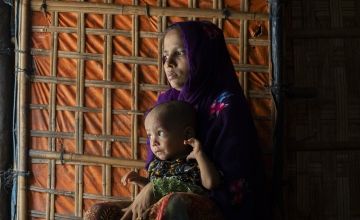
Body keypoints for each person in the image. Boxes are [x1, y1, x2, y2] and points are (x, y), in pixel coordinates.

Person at [125, 21, 266, 220]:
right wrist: (149, 186)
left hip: (217, 204)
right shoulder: (166, 102)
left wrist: (161, 191)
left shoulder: (226, 106)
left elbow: (228, 182)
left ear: (202, 54)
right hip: (164, 197)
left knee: (173, 206)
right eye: (165, 56)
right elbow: (158, 164)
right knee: (100, 213)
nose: (168, 63)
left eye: (180, 53)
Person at [120, 100, 223, 220]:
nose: (153, 142)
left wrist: (200, 154)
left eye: (160, 133)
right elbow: (155, 189)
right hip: (158, 212)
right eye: (150, 135)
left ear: (187, 134)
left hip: (187, 211)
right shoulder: (156, 165)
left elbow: (211, 183)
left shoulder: (193, 160)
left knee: (174, 202)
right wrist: (139, 180)